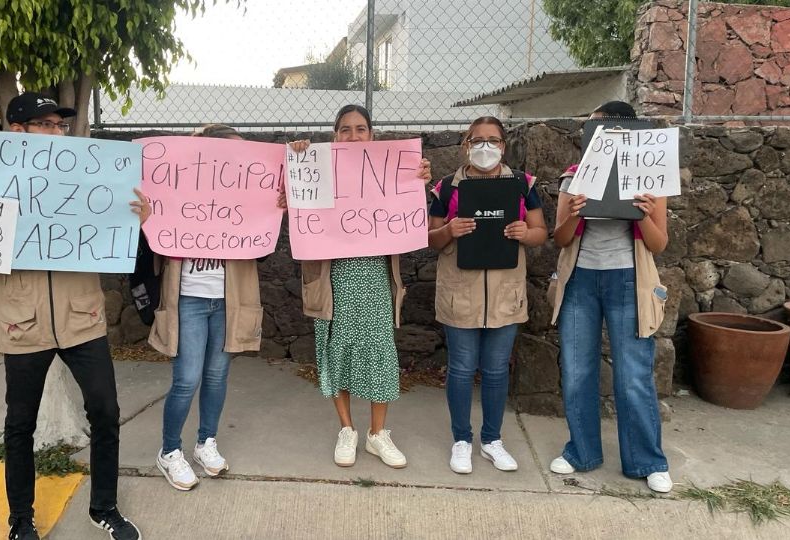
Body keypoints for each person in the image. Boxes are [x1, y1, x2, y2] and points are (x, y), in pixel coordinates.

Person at [0, 92, 148, 540]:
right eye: (45, 124)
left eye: (59, 125)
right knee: (20, 424)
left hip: (81, 316)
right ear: (18, 132)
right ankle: (21, 519)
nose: (56, 133)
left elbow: (113, 237)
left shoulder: (89, 178)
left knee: (106, 411)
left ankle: (103, 506)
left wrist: (136, 221)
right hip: (21, 320)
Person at [287, 105, 432, 469]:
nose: (353, 136)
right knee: (338, 351)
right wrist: (299, 158)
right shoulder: (317, 171)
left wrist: (416, 180)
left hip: (376, 279)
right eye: (345, 130)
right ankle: (348, 429)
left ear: (372, 135)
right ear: (335, 136)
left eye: (361, 129)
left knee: (378, 350)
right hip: (332, 281)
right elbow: (295, 203)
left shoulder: (388, 172)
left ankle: (377, 434)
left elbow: (410, 215)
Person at [548, 100, 672, 493]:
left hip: (628, 281)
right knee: (577, 370)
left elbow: (659, 243)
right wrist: (575, 214)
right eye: (589, 131)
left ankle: (647, 461)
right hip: (580, 281)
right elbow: (560, 239)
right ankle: (580, 451)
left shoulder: (649, 178)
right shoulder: (573, 179)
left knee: (633, 375)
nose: (592, 137)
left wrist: (644, 214)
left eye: (598, 128)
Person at [147, 124, 268, 491]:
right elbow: (156, 237)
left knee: (217, 376)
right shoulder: (173, 189)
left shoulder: (248, 194)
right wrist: (146, 216)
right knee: (186, 379)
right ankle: (170, 451)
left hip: (229, 299)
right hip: (188, 299)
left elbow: (263, 235)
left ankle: (206, 442)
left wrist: (273, 205)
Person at [427, 116, 547, 475]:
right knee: (461, 369)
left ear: (504, 145)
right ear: (465, 144)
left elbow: (542, 231)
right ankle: (461, 439)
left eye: (493, 140)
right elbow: (430, 239)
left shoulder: (523, 186)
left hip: (504, 295)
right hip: (460, 293)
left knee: (496, 371)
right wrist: (449, 230)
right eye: (477, 140)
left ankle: (492, 439)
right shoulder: (446, 188)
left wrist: (526, 233)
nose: (485, 146)